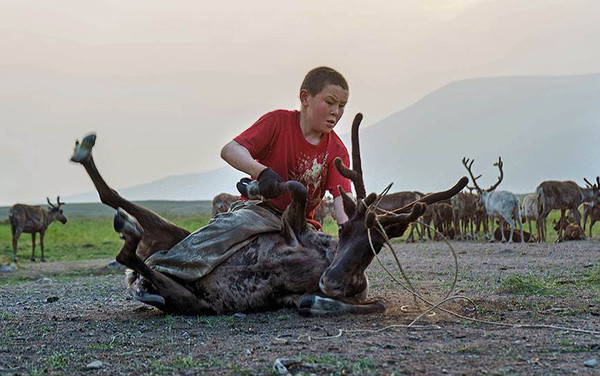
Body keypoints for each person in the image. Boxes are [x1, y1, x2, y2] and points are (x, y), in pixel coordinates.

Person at [221, 66, 352, 228]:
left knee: (323, 251)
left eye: (342, 106)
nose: (336, 111)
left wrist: (349, 228)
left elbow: (342, 198)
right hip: (256, 212)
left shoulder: (338, 152)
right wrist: (261, 172)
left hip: (300, 224)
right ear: (305, 98)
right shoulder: (277, 122)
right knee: (215, 240)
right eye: (330, 102)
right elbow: (230, 150)